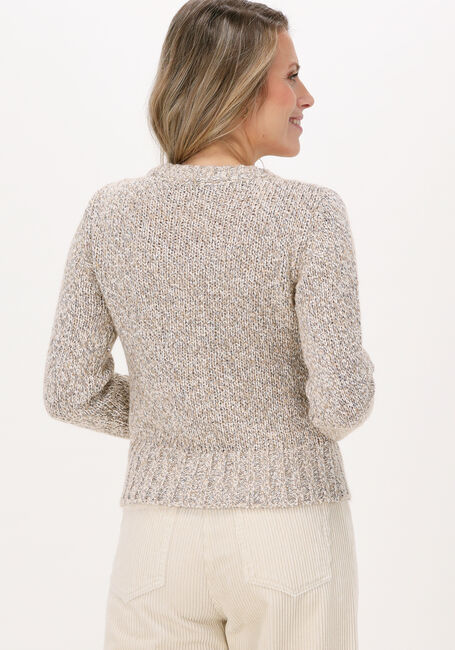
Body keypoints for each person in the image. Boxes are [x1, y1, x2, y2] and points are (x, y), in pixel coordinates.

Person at [42, 0, 375, 648]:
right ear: (235, 85)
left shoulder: (110, 213)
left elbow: (69, 391)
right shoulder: (310, 215)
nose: (306, 96)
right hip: (287, 531)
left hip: (155, 542)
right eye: (290, 76)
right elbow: (340, 402)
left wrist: (179, 416)